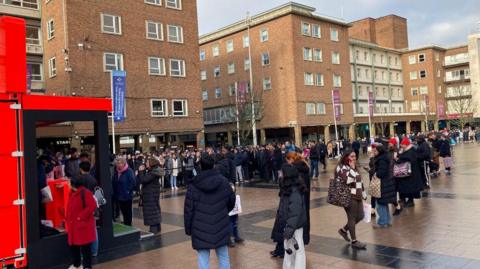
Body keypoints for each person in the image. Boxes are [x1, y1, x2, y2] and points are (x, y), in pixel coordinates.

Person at [184, 154, 236, 269]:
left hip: (200, 226)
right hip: (220, 223)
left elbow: (188, 210)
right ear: (213, 165)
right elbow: (231, 201)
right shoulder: (223, 181)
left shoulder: (193, 185)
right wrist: (224, 211)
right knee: (223, 255)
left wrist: (188, 228)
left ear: (201, 166)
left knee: (203, 257)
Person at [278, 157, 307, 268]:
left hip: (294, 226)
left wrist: (289, 229)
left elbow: (295, 213)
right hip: (289, 226)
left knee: (298, 250)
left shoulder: (294, 191)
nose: (280, 174)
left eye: (282, 173)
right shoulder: (287, 188)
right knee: (290, 250)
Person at [336, 150, 367, 250]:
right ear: (346, 157)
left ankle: (344, 230)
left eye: (355, 156)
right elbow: (347, 180)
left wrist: (363, 193)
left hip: (357, 194)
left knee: (361, 215)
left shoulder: (353, 166)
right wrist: (352, 169)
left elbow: (359, 180)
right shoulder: (341, 167)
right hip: (348, 195)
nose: (354, 158)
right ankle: (354, 241)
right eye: (352, 156)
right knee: (352, 218)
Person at [66, 175, 97, 269]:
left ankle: (87, 266)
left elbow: (92, 206)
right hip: (73, 226)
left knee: (85, 248)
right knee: (74, 247)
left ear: (73, 184)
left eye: (68, 182)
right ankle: (77, 265)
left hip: (83, 225)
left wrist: (80, 217)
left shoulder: (85, 193)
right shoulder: (72, 193)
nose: (67, 184)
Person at [372, 144, 396, 228]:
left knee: (380, 204)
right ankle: (387, 221)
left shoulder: (381, 159)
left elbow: (381, 173)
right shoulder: (384, 157)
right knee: (383, 203)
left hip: (383, 184)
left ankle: (382, 222)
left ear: (379, 151)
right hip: (386, 184)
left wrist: (375, 173)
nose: (373, 152)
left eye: (375, 151)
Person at [394, 137, 423, 208]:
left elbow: (407, 160)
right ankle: (404, 200)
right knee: (405, 188)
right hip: (406, 174)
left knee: (410, 189)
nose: (401, 145)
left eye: (402, 144)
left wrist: (397, 159)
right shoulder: (406, 151)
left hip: (410, 174)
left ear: (406, 145)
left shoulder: (410, 152)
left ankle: (410, 201)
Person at [137, 157, 162, 234]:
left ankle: (153, 229)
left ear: (151, 164)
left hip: (150, 195)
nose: (146, 163)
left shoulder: (153, 173)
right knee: (155, 210)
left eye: (147, 162)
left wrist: (140, 171)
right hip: (152, 194)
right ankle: (157, 227)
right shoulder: (154, 171)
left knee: (151, 211)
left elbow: (143, 180)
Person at [291, 152, 311, 246]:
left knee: (298, 217)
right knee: (306, 215)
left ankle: (300, 238)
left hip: (299, 197)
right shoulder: (305, 167)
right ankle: (306, 237)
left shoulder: (296, 170)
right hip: (306, 196)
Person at [112, 156, 136, 226]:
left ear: (123, 163)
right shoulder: (116, 172)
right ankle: (126, 222)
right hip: (119, 195)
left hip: (127, 195)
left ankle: (128, 224)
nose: (118, 165)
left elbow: (133, 182)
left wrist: (128, 190)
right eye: (117, 163)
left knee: (128, 211)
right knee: (123, 211)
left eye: (120, 163)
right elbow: (114, 182)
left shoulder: (129, 171)